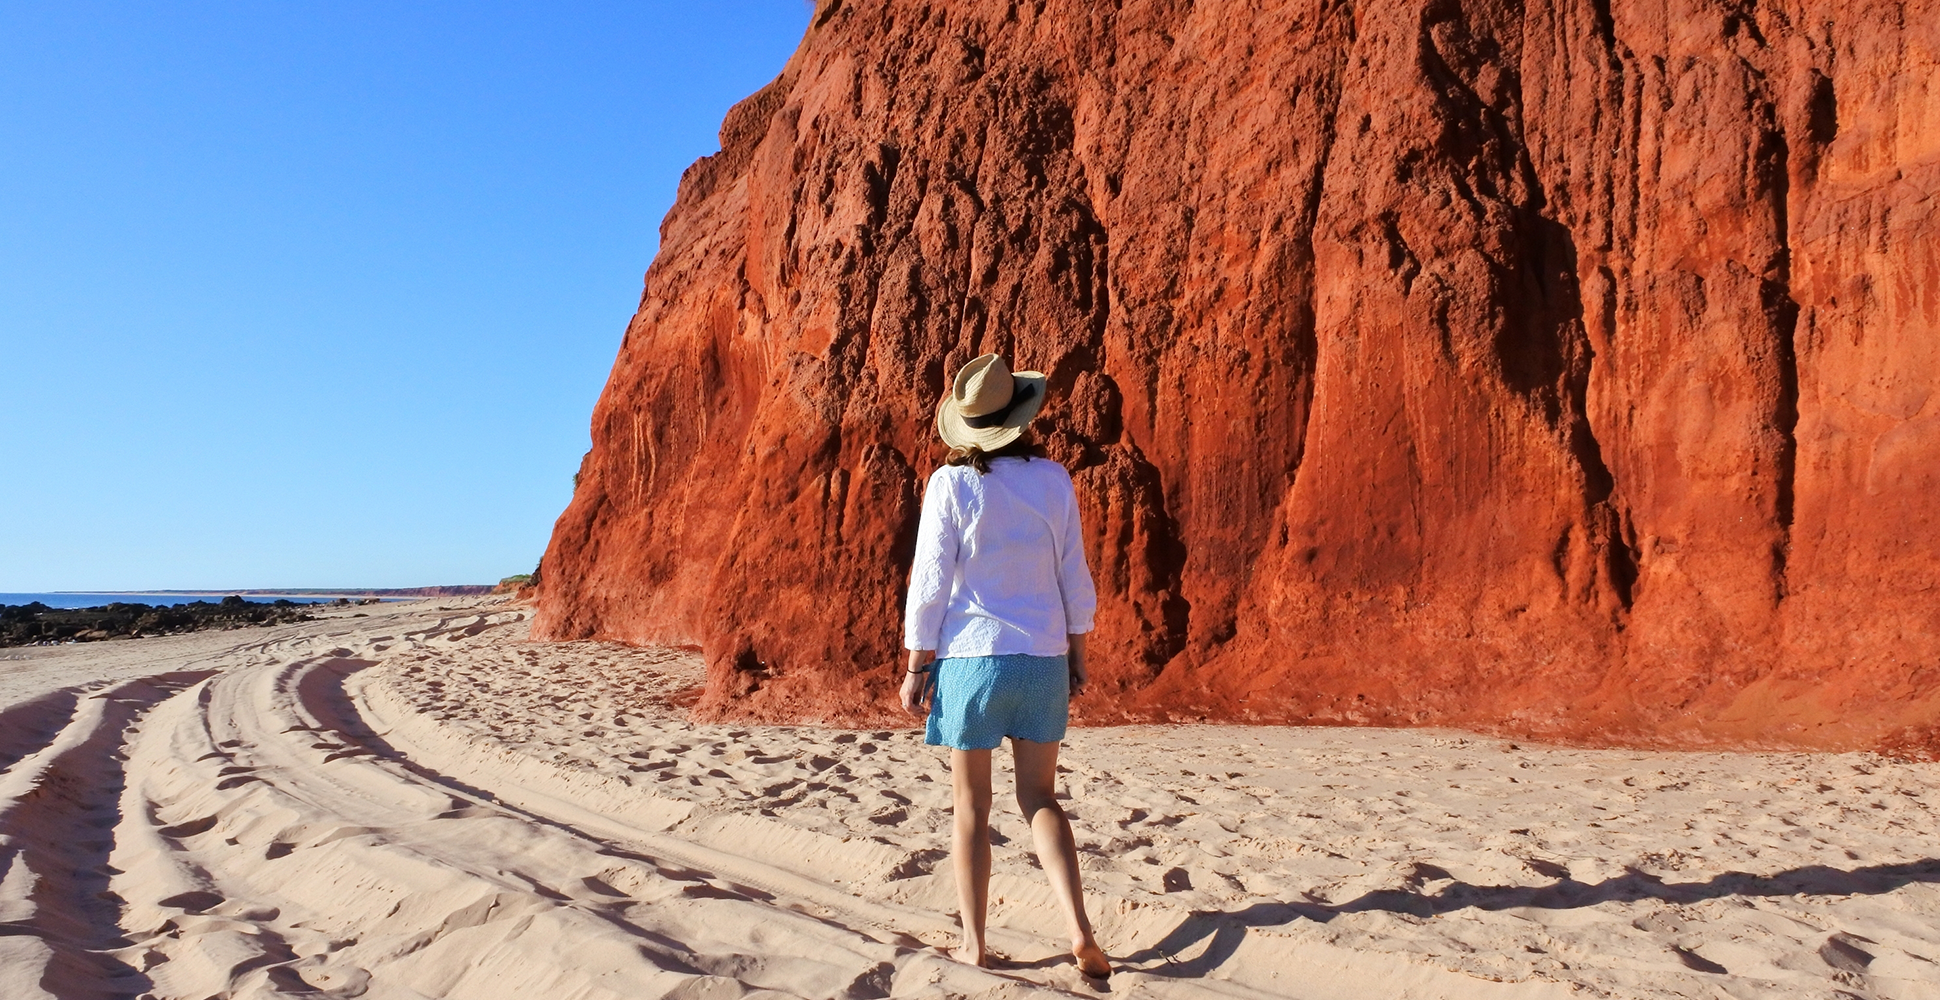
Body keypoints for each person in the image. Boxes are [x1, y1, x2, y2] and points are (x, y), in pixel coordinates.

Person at [898, 352, 1111, 979]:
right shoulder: (1053, 479)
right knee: (1042, 798)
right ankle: (1080, 932)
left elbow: (931, 581)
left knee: (972, 808)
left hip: (971, 663)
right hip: (1042, 658)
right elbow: (1073, 571)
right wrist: (1078, 654)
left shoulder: (951, 484)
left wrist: (917, 664)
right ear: (1022, 419)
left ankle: (975, 946)